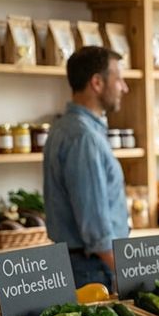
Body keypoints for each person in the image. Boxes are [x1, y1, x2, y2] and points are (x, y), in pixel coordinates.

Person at [44, 46, 131, 289]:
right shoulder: (84, 137)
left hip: (78, 263)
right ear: (97, 83)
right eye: (119, 79)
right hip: (91, 269)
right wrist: (126, 273)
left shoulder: (65, 127)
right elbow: (94, 222)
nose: (124, 87)